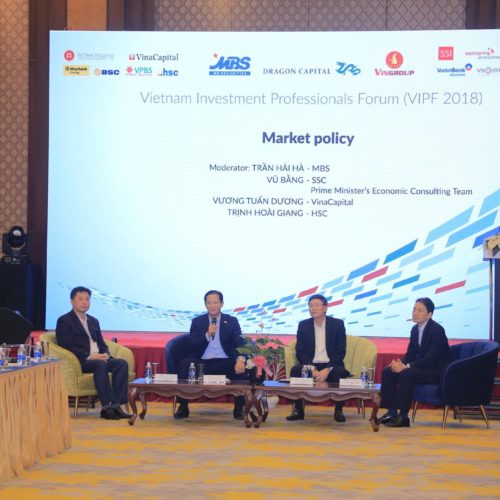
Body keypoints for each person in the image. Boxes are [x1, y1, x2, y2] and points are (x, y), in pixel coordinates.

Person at [56, 286, 131, 420]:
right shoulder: (64, 321)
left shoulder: (93, 321)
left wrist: (106, 353)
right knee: (100, 365)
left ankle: (116, 405)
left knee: (121, 364)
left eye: (87, 299)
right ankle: (106, 407)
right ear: (72, 301)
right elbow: (65, 345)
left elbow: (102, 343)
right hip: (81, 360)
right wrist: (90, 356)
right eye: (80, 299)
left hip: (99, 358)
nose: (84, 302)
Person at [175, 290, 247, 420]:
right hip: (203, 363)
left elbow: (240, 343)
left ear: (222, 304)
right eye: (209, 303)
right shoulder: (197, 321)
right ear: (205, 305)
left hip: (225, 361)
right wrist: (207, 335)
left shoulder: (231, 321)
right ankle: (183, 406)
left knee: (242, 367)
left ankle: (239, 408)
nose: (212, 306)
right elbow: (191, 345)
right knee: (184, 364)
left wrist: (241, 359)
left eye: (215, 302)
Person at [379, 297, 449, 428]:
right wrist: (399, 364)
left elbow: (431, 358)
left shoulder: (437, 330)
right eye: (414, 309)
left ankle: (403, 416)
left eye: (420, 310)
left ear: (429, 314)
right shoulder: (415, 329)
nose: (415, 313)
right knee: (388, 371)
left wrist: (406, 366)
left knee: (407, 373)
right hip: (421, 368)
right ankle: (391, 412)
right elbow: (410, 354)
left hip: (435, 371)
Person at [286, 294, 350, 423]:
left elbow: (340, 351)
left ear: (325, 308)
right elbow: (300, 351)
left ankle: (339, 410)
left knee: (340, 373)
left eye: (316, 305)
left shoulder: (337, 324)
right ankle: (298, 410)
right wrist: (311, 367)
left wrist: (328, 369)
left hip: (331, 364)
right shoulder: (303, 325)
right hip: (310, 364)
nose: (313, 308)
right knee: (296, 370)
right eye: (310, 306)